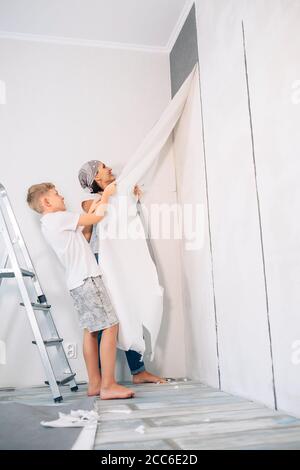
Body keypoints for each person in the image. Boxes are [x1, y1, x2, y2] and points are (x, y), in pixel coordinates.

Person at [26, 182, 135, 399]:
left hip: (76, 283)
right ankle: (108, 385)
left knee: (91, 331)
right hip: (88, 279)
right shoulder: (58, 218)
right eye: (57, 195)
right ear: (46, 202)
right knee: (111, 326)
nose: (63, 198)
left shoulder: (50, 224)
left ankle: (95, 384)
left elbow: (84, 236)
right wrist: (106, 199)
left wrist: (94, 209)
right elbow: (96, 219)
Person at [78, 160, 166, 384]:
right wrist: (111, 197)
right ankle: (98, 379)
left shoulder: (120, 199)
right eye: (103, 167)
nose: (109, 169)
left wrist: (131, 200)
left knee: (131, 309)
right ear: (97, 179)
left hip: (123, 262)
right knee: (107, 318)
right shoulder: (90, 203)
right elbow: (92, 225)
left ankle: (138, 371)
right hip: (102, 263)